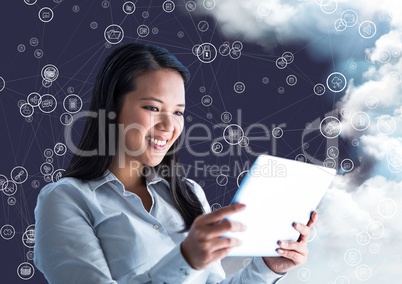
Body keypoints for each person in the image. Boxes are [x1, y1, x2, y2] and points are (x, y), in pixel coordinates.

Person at [34, 43, 317, 283]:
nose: (169, 125)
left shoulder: (188, 194)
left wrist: (266, 268)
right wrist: (185, 259)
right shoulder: (66, 199)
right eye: (153, 108)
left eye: (178, 112)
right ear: (112, 109)